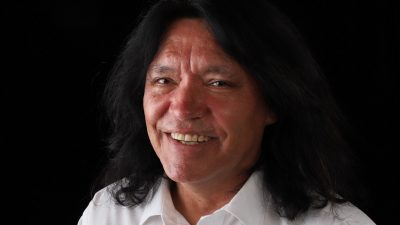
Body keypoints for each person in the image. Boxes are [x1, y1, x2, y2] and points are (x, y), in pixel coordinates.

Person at [78, 0, 376, 224]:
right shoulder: (108, 214)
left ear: (273, 102)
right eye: (164, 80)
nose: (182, 107)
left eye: (218, 83)